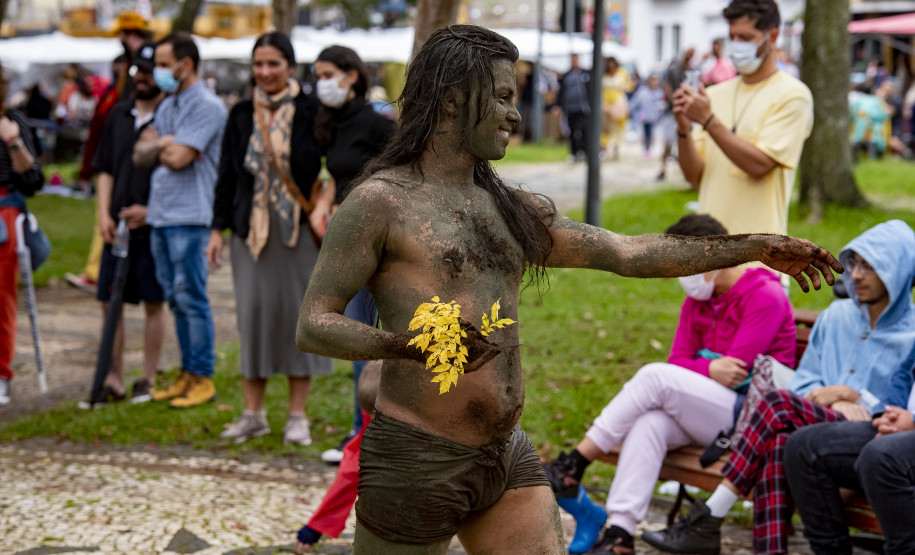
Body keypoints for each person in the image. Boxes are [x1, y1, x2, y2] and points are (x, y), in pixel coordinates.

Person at [294, 24, 841, 555]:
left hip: (504, 454)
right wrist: (404, 345)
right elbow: (314, 323)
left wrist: (753, 248)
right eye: (504, 97)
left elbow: (629, 252)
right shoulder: (380, 203)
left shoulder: (512, 208)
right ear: (454, 101)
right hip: (417, 456)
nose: (515, 112)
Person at [642, 219, 915, 555]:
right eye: (854, 263)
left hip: (871, 429)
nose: (855, 275)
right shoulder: (836, 317)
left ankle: (712, 515)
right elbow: (806, 379)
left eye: (871, 267)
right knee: (781, 439)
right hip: (817, 419)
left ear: (898, 271)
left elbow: (900, 399)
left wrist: (852, 395)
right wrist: (828, 398)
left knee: (776, 410)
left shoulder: (911, 332)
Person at [542, 214, 796, 554]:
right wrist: (709, 366)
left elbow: (736, 372)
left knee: (654, 376)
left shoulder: (765, 295)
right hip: (708, 413)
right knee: (650, 423)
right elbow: (681, 360)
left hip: (752, 420)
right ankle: (620, 534)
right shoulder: (699, 301)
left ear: (713, 259)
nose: (680, 276)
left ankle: (573, 464)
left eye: (684, 265)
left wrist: (701, 367)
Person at [209, 32, 333, 444]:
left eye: (273, 64)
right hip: (251, 233)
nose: (265, 73)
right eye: (258, 65)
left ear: (291, 67)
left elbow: (331, 165)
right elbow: (227, 175)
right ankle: (253, 414)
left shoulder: (314, 111)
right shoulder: (242, 113)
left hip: (298, 231)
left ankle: (297, 416)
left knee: (297, 318)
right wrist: (217, 228)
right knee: (253, 317)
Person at [310, 44, 395, 463]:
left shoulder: (374, 123)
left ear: (351, 75)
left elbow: (395, 173)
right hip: (341, 239)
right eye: (318, 75)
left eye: (328, 74)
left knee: (365, 335)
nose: (321, 82)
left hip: (370, 240)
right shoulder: (333, 121)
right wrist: (325, 203)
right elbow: (336, 174)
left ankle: (368, 435)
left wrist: (359, 207)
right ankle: (361, 430)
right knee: (352, 334)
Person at [133, 32, 227, 408]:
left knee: (192, 298)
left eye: (161, 64)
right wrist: (164, 142)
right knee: (174, 298)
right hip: (161, 214)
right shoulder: (167, 104)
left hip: (191, 216)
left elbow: (178, 158)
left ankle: (202, 375)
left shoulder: (208, 105)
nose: (156, 72)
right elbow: (139, 153)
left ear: (184, 65)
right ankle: (187, 372)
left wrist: (163, 145)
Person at [674, 0, 813, 242]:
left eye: (746, 37)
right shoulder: (715, 94)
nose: (736, 45)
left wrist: (707, 120)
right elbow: (694, 176)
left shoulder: (793, 95)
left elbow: (760, 165)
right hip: (709, 252)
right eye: (732, 36)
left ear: (773, 36)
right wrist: (684, 127)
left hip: (760, 256)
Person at [79, 42, 166, 407]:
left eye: (148, 71)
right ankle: (112, 376)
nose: (141, 78)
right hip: (117, 225)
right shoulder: (119, 114)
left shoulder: (170, 116)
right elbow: (106, 170)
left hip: (154, 224)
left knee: (152, 301)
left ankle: (146, 376)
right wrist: (103, 215)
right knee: (107, 302)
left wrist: (153, 211)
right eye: (137, 71)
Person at [785, 343, 915, 555]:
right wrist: (888, 413)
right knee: (804, 446)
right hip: (901, 424)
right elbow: (905, 373)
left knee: (881, 456)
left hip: (905, 435)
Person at [66, 11, 154, 293]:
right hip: (113, 152)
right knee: (105, 215)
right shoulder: (123, 76)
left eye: (130, 34)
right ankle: (97, 273)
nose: (126, 39)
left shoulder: (141, 72)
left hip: (132, 162)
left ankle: (99, 273)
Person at [295, 360, 382, 553]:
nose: (379, 426)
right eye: (372, 419)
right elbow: (353, 469)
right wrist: (317, 525)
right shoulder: (375, 412)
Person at [0, 63, 44, 405]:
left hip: (4, 213)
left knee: (2, 299)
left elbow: (33, 181)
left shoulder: (13, 120)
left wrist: (13, 141)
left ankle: (1, 372)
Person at [657, 46, 695, 180]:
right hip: (673, 112)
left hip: (688, 113)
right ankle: (663, 169)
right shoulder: (674, 70)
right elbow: (666, 86)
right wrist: (675, 101)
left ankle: (687, 171)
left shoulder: (693, 70)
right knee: (668, 142)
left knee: (686, 142)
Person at [556, 53, 591, 162]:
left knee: (582, 130)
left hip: (583, 108)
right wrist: (558, 105)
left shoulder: (585, 73)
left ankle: (585, 152)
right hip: (570, 108)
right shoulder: (566, 75)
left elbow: (590, 90)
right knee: (571, 131)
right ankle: (574, 153)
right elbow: (561, 92)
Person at [627, 74, 667, 158]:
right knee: (647, 133)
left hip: (656, 118)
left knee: (654, 134)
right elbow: (635, 102)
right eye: (652, 80)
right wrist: (628, 109)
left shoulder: (659, 92)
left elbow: (662, 104)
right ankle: (647, 149)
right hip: (645, 117)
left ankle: (650, 149)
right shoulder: (643, 91)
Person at [601, 57, 631, 161]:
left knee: (619, 129)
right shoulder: (604, 76)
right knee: (606, 129)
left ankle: (616, 150)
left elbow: (629, 87)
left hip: (619, 105)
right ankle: (605, 151)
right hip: (607, 106)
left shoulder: (622, 74)